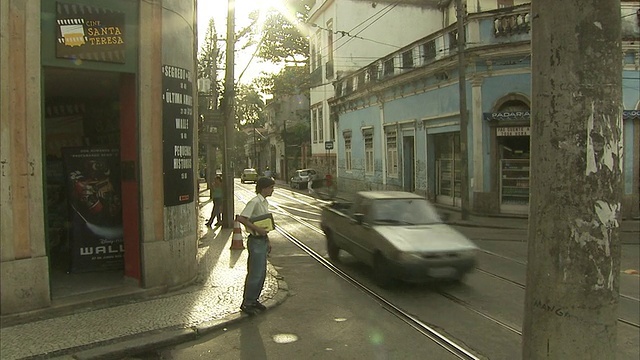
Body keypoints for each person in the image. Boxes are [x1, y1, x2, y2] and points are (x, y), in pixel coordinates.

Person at [235, 177, 276, 315]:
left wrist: (267, 239)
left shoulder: (264, 202)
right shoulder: (255, 202)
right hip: (255, 241)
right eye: (270, 187)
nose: (272, 190)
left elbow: (264, 223)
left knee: (262, 273)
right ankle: (247, 303)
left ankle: (254, 300)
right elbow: (241, 218)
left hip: (262, 240)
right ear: (263, 188)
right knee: (255, 274)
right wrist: (257, 230)